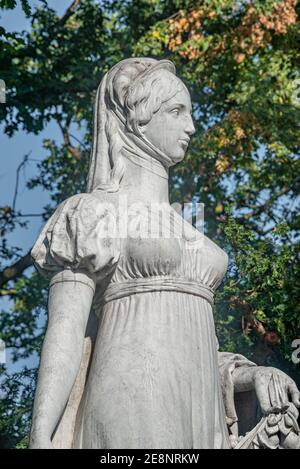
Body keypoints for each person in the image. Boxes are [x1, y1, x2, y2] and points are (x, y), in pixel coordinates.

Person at [29, 58, 300, 449]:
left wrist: (247, 376)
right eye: (176, 111)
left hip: (200, 409)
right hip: (133, 395)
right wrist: (41, 435)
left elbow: (189, 343)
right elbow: (66, 331)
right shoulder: (94, 211)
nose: (190, 127)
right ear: (138, 118)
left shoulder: (188, 228)